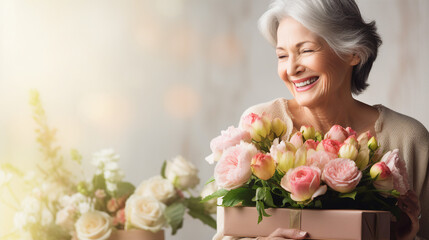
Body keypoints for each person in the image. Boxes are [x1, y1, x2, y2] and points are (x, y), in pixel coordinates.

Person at [214, 0, 429, 239]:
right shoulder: (260, 125)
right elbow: (226, 233)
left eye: (306, 50)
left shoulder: (408, 138)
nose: (292, 68)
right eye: (282, 55)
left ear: (353, 52)